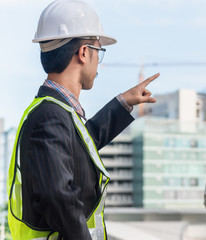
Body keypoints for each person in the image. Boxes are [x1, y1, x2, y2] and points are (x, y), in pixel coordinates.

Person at [7, 0, 159, 239]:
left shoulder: (56, 112)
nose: (99, 61)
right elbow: (59, 199)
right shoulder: (50, 117)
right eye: (99, 51)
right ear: (84, 52)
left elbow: (80, 145)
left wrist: (124, 102)